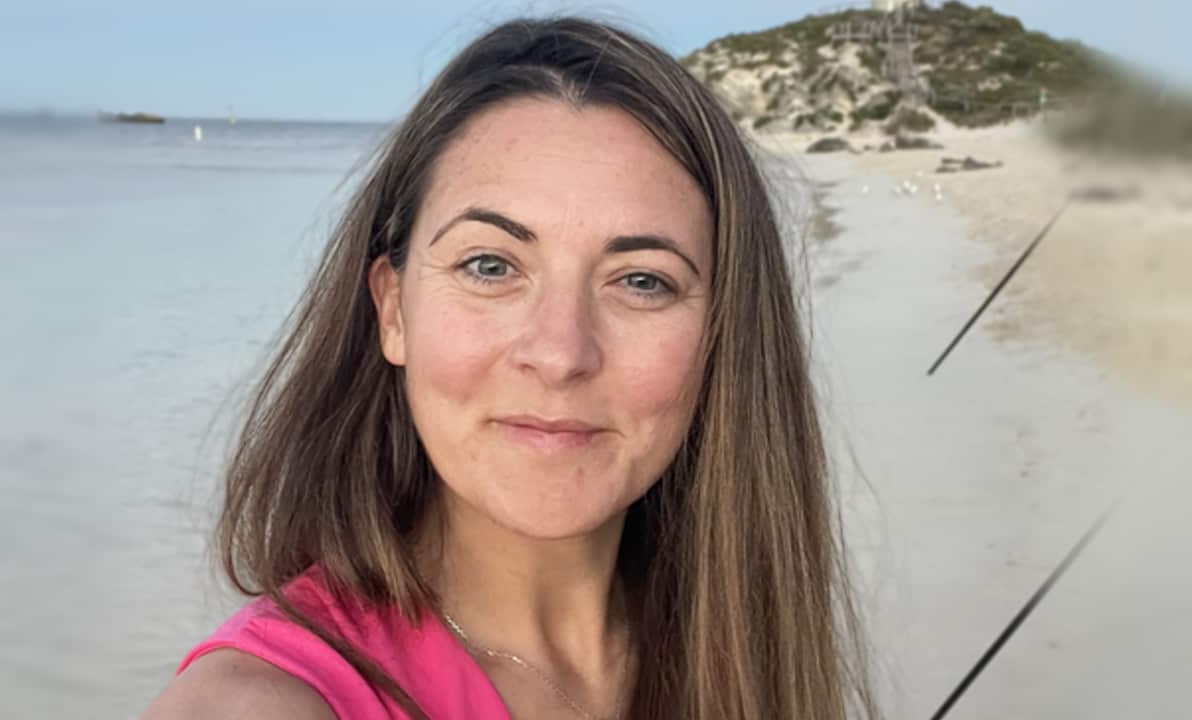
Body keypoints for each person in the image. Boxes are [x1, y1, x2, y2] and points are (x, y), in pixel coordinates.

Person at [142, 16, 876, 720]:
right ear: (393, 310)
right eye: (490, 265)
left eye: (642, 280)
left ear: (726, 334)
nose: (559, 354)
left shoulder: (741, 651)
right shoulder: (256, 704)